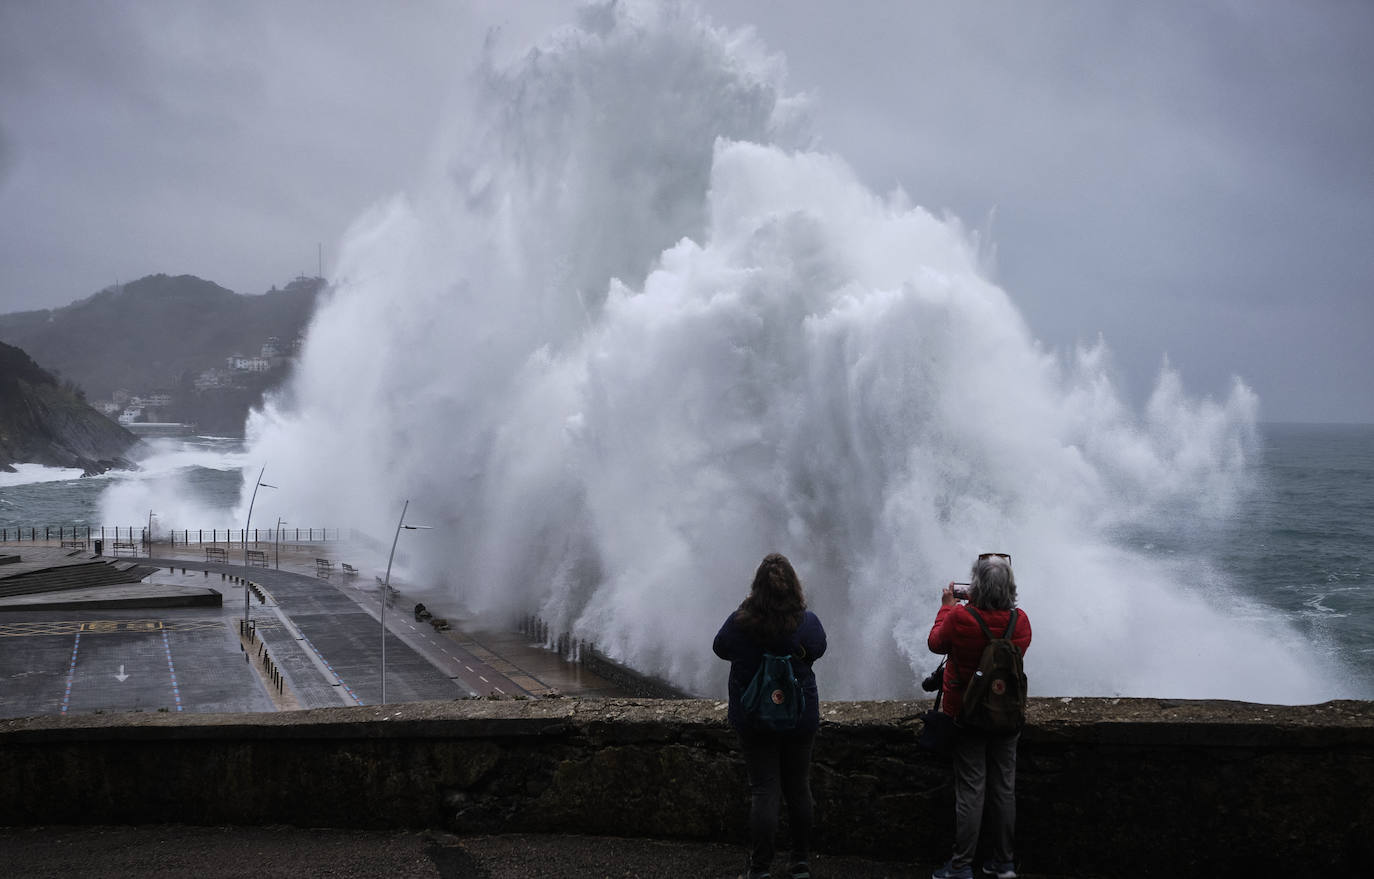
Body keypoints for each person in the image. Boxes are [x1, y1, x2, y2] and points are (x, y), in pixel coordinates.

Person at [714, 553, 828, 879]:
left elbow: (720, 648)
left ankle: (760, 868)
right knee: (798, 788)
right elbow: (818, 649)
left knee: (765, 790)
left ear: (757, 589)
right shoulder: (807, 623)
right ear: (793, 587)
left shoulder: (741, 623)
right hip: (798, 718)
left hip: (755, 720)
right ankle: (801, 863)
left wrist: (747, 608)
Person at [927, 552, 1032, 879]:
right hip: (1007, 716)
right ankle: (1004, 862)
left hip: (967, 715)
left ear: (975, 586)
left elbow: (936, 643)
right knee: (1004, 789)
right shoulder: (1022, 622)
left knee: (971, 790)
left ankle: (960, 866)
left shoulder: (960, 618)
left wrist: (947, 606)